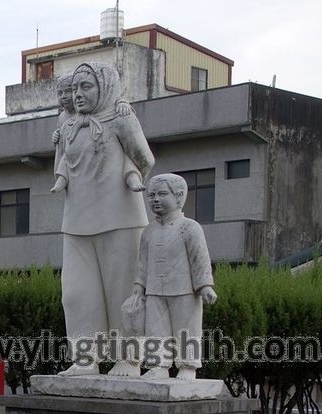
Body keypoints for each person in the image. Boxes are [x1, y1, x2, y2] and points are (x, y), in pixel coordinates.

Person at [56, 61, 154, 376]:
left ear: (105, 87)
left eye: (87, 87)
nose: (79, 94)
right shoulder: (69, 124)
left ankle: (129, 359)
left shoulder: (121, 117)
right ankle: (85, 360)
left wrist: (132, 174)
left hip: (120, 216)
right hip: (76, 220)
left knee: (122, 292)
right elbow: (63, 166)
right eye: (75, 88)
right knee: (76, 294)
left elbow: (144, 158)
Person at [131, 173, 217, 380]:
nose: (155, 199)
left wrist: (205, 286)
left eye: (162, 194)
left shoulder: (190, 227)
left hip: (184, 290)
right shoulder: (148, 231)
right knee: (155, 329)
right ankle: (158, 365)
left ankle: (188, 366)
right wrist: (139, 285)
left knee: (187, 328)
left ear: (179, 196)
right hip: (154, 290)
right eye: (151, 195)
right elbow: (142, 262)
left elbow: (200, 258)